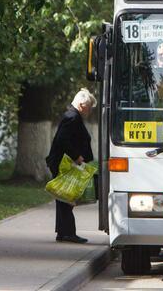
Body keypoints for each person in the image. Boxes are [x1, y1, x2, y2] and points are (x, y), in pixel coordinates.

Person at [45, 88, 96, 243]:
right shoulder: (73, 117)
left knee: (64, 198)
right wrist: (77, 156)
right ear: (82, 105)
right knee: (66, 198)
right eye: (89, 107)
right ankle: (68, 233)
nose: (90, 111)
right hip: (64, 163)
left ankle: (63, 232)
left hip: (63, 162)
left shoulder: (72, 115)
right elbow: (62, 140)